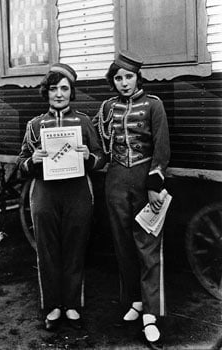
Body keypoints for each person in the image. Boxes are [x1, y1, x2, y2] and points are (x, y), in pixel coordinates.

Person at [18, 63, 105, 331]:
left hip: (77, 192)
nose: (59, 94)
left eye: (64, 89)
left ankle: (72, 305)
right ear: (46, 92)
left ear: (71, 92)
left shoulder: (84, 122)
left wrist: (87, 156)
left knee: (75, 248)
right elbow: (20, 164)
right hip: (45, 193)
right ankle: (53, 306)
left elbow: (101, 158)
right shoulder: (35, 125)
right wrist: (32, 159)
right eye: (53, 88)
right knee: (47, 251)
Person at [93, 50, 170, 349]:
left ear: (138, 77)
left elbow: (162, 148)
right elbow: (101, 145)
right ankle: (135, 301)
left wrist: (154, 182)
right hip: (115, 181)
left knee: (148, 247)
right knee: (123, 245)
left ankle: (151, 315)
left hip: (144, 181)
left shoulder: (154, 105)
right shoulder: (107, 108)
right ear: (113, 81)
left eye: (128, 77)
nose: (124, 83)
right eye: (118, 78)